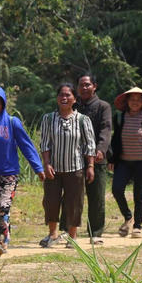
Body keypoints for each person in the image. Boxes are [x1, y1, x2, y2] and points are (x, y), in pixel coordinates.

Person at [0, 85, 44, 255]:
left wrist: (38, 168)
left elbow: (26, 146)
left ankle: (1, 242)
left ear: (3, 104)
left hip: (8, 174)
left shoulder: (12, 122)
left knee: (3, 206)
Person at [38, 83, 96, 248]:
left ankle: (72, 236)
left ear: (74, 99)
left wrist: (90, 166)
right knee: (51, 202)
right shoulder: (48, 119)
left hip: (75, 169)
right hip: (53, 169)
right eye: (61, 95)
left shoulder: (83, 120)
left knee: (74, 203)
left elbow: (89, 145)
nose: (64, 98)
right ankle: (52, 234)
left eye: (68, 95)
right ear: (57, 99)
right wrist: (46, 163)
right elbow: (45, 144)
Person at [107, 87, 142, 237]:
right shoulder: (120, 117)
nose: (135, 102)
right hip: (123, 161)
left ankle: (137, 226)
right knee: (116, 189)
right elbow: (115, 140)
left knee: (139, 195)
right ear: (127, 101)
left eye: (138, 100)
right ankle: (128, 216)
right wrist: (112, 159)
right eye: (132, 99)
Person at [74, 74, 112, 241]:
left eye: (87, 85)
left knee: (96, 196)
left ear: (94, 86)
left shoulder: (103, 106)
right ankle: (67, 231)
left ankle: (95, 232)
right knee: (72, 195)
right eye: (81, 85)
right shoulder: (73, 106)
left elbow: (106, 129)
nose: (84, 88)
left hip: (97, 158)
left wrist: (101, 150)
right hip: (73, 158)